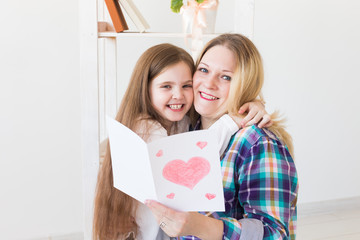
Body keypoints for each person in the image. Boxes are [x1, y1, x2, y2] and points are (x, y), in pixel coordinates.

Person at [93, 43, 273, 240]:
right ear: (146, 90)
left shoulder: (181, 120)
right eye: (166, 86)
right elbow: (203, 151)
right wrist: (231, 122)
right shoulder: (146, 129)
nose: (178, 95)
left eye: (186, 85)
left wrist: (252, 103)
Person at [145, 34, 298, 240]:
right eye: (204, 70)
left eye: (226, 77)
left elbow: (275, 235)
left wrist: (201, 226)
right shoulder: (186, 127)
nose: (209, 83)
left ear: (244, 85)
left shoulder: (258, 144)